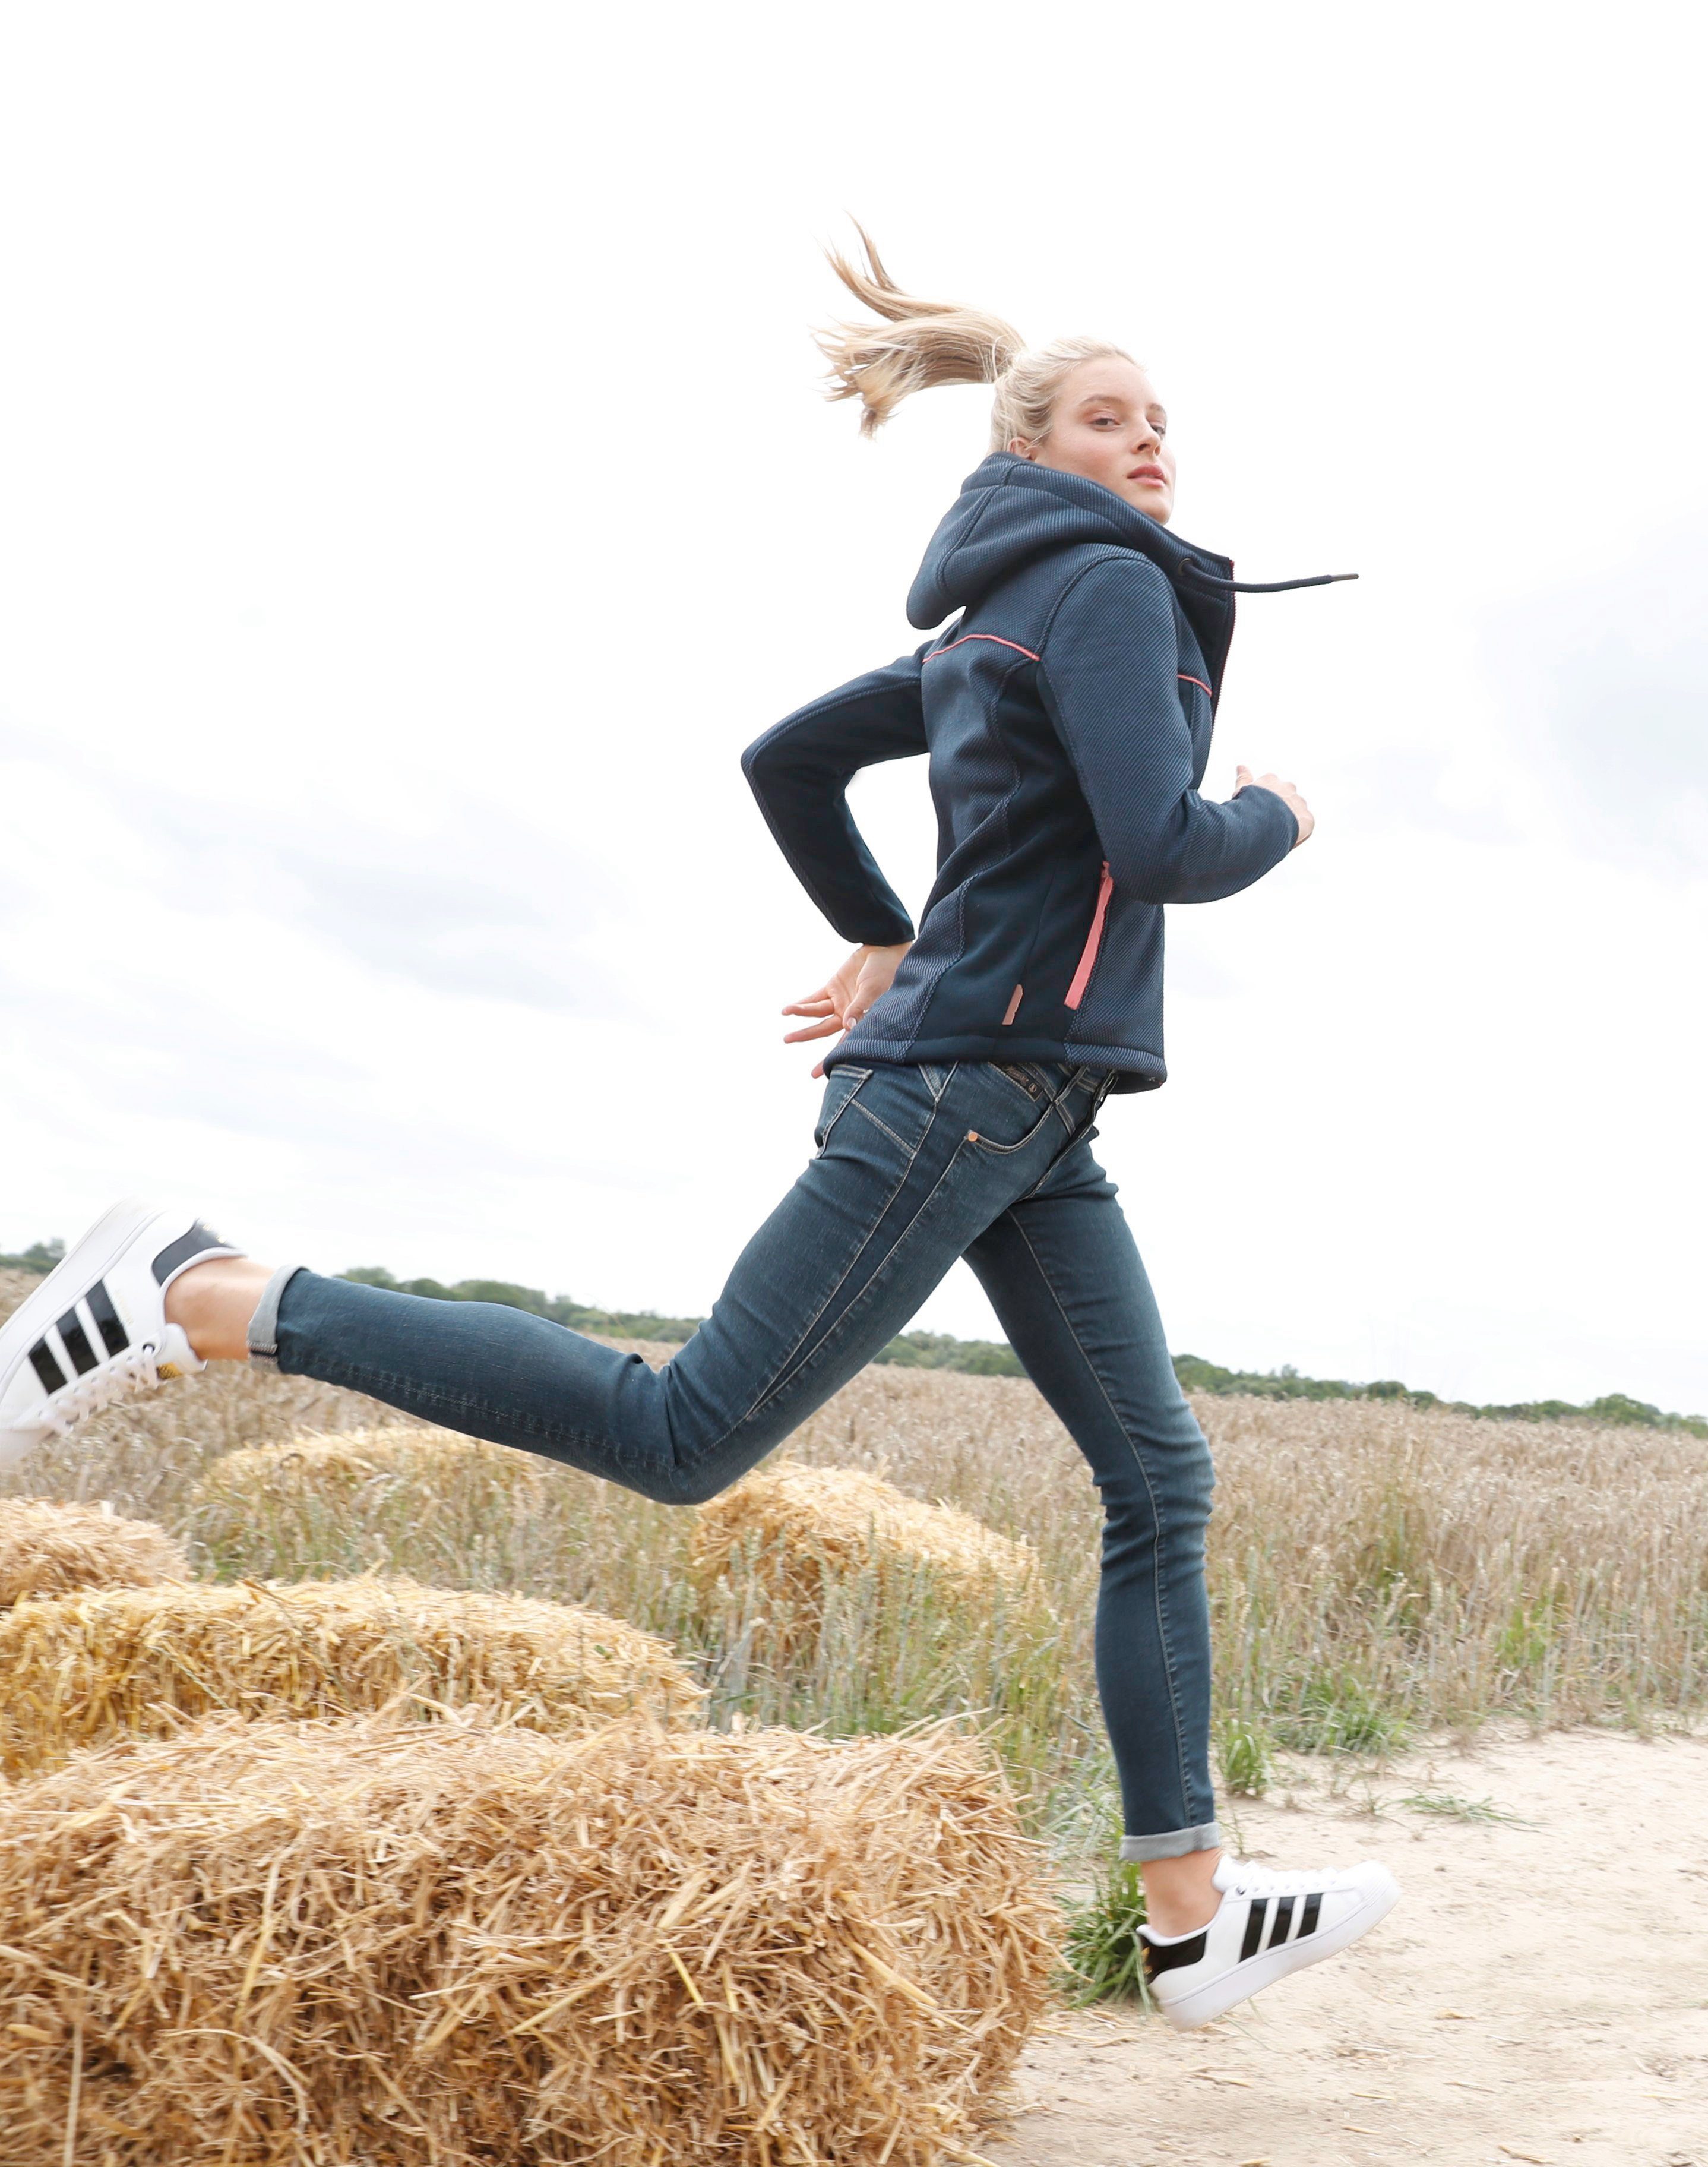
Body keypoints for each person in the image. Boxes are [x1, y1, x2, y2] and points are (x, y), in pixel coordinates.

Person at [0, 233, 1394, 2031]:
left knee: (1160, 1478)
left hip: (1030, 1110)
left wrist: (885, 928)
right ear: (1030, 451)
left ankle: (1192, 1918)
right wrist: (1273, 810)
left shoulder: (998, 614)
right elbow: (1160, 847)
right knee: (681, 1437)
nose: (1153, 447)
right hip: (967, 1097)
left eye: (1163, 423)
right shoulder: (1110, 591)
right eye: (1110, 420)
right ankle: (208, 1288)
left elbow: (787, 759)